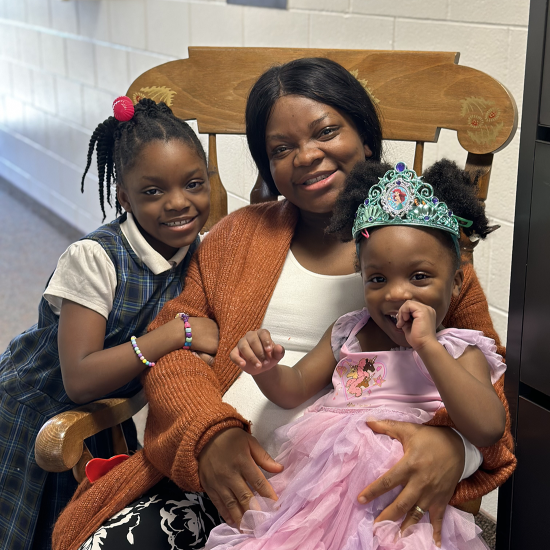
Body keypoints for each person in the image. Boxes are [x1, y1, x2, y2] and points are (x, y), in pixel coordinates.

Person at [53, 58, 515, 550]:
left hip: (355, 498)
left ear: (366, 136)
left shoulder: (421, 254)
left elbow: (488, 391)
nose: (307, 156)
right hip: (222, 478)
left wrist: (454, 446)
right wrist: (208, 433)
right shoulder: (236, 237)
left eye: (326, 131)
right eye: (281, 148)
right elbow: (175, 355)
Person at [204, 159, 507, 550]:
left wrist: (428, 346)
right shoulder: (351, 332)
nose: (396, 294)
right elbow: (293, 389)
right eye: (377, 279)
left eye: (419, 276)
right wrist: (266, 369)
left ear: (457, 281)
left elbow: (488, 427)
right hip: (320, 494)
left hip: (400, 503)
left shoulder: (459, 348)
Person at [0, 97, 218, 550]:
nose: (179, 203)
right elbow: (79, 379)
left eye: (194, 184)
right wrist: (173, 335)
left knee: (84, 529)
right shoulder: (95, 258)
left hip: (103, 418)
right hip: (32, 414)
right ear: (123, 195)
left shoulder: (200, 251)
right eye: (153, 191)